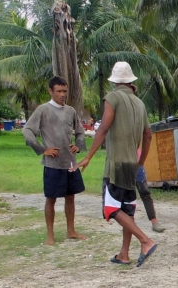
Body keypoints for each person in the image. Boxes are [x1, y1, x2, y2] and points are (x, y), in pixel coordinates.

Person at [72, 62, 157, 267]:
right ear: (131, 81)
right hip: (132, 163)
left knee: (110, 208)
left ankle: (145, 241)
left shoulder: (112, 97)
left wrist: (88, 156)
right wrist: (142, 161)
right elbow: (148, 136)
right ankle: (124, 254)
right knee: (127, 210)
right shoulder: (140, 103)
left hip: (116, 163)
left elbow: (103, 128)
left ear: (114, 82)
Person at [22, 75, 87, 245]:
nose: (62, 94)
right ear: (51, 91)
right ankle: (50, 236)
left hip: (70, 163)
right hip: (52, 164)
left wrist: (78, 146)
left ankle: (71, 231)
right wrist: (43, 150)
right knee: (51, 198)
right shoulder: (43, 110)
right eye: (58, 91)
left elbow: (80, 132)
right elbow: (27, 131)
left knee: (70, 197)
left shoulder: (71, 111)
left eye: (64, 91)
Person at [135, 156, 166, 233]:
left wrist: (141, 161)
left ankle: (154, 222)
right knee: (126, 196)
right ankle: (128, 224)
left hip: (137, 164)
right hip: (123, 165)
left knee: (145, 193)